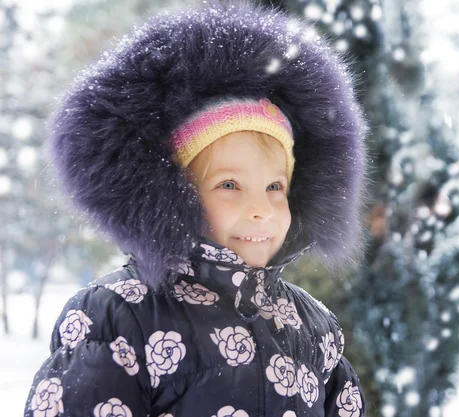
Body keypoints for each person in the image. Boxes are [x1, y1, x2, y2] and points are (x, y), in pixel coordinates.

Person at [25, 1, 368, 416]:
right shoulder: (118, 316)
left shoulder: (314, 327)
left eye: (274, 186)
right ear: (176, 196)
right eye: (229, 185)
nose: (261, 208)